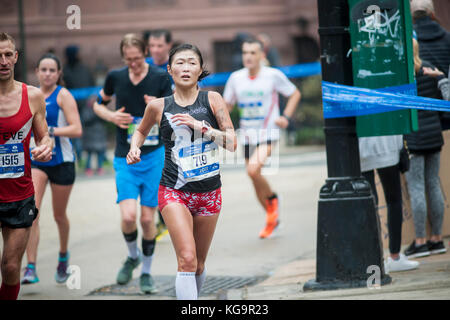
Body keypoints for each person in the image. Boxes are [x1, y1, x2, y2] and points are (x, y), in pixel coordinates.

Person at [127, 43, 236, 300]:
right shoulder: (157, 106)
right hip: (174, 192)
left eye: (191, 63)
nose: (185, 68)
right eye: (180, 62)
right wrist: (134, 148)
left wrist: (203, 128)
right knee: (186, 259)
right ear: (169, 69)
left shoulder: (213, 100)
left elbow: (232, 142)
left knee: (198, 263)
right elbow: (141, 130)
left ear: (200, 70)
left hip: (209, 193)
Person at [93, 33, 172, 294]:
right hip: (124, 155)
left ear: (145, 54)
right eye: (128, 60)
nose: (134, 64)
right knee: (128, 216)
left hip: (152, 156)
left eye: (137, 59)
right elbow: (98, 105)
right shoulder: (116, 77)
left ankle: (146, 273)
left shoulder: (160, 78)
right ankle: (132, 255)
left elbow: (175, 113)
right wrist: (111, 115)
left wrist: (159, 108)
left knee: (148, 221)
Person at [223, 38, 301, 239]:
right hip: (247, 134)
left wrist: (286, 117)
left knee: (253, 169)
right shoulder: (235, 78)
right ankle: (272, 218)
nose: (248, 57)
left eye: (252, 53)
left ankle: (274, 200)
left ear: (262, 55)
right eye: (245, 52)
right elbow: (227, 105)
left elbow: (294, 94)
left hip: (268, 131)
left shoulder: (272, 75)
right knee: (253, 177)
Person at [20, 53, 82, 285]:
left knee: (59, 215)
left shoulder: (63, 95)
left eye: (51, 70)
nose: (47, 74)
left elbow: (77, 129)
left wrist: (50, 132)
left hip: (62, 162)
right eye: (43, 70)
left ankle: (63, 256)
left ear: (58, 74)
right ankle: (31, 267)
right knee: (32, 213)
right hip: (38, 161)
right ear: (36, 71)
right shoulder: (30, 95)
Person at [0, 32, 53, 300]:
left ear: (16, 57)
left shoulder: (32, 96)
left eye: (8, 54)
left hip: (19, 194)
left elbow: (44, 135)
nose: (3, 61)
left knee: (10, 266)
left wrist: (46, 146)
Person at [403, 39, 447, 258]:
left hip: (413, 138)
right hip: (434, 134)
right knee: (433, 184)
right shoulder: (429, 67)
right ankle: (437, 239)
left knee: (416, 187)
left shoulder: (401, 73)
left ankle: (420, 241)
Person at [359, 134, 419, 273]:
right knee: (394, 200)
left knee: (370, 203)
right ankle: (395, 256)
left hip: (363, 147)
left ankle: (374, 260)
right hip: (388, 145)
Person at [145, 28, 174, 238]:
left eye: (159, 45)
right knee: (157, 177)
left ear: (168, 46)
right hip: (149, 131)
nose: (155, 50)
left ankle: (174, 217)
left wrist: (162, 102)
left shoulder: (177, 66)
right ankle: (163, 220)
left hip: (174, 131)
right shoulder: (142, 68)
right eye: (152, 46)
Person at [411, 0, 450, 129]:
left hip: (420, 115)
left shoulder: (410, 43)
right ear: (432, 14)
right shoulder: (447, 38)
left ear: (412, 17)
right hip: (446, 109)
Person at [63, 45, 95, 166]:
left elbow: (91, 85)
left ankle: (82, 157)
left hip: (85, 107)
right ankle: (79, 156)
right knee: (75, 133)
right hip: (71, 107)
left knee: (84, 133)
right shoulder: (66, 71)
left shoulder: (83, 69)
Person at [81, 94, 107, 176]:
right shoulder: (86, 109)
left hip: (99, 135)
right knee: (89, 154)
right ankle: (88, 168)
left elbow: (105, 119)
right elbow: (86, 120)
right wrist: (95, 114)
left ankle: (100, 168)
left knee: (100, 154)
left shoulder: (101, 109)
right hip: (90, 135)